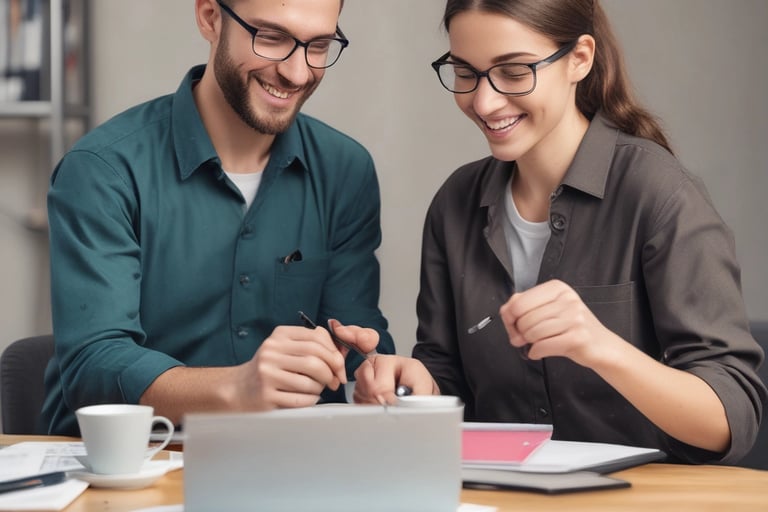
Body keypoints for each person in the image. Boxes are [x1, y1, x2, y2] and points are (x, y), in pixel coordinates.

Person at [355, 0, 766, 465]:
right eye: (465, 72)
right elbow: (448, 385)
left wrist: (600, 347)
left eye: (513, 72)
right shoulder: (455, 205)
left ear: (580, 59)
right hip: (503, 497)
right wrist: (412, 388)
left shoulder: (659, 193)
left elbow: (734, 416)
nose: (484, 101)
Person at [42, 0, 394, 436]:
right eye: (271, 38)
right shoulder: (102, 170)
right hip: (128, 471)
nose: (298, 73)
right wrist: (237, 387)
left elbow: (359, 339)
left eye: (318, 45)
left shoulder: (346, 170)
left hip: (289, 472)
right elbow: (93, 370)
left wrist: (379, 375)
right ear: (210, 17)